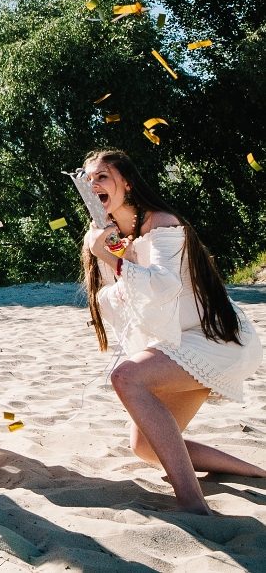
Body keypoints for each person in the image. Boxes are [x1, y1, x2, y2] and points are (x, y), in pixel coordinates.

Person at [81, 149, 264, 514]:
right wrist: (107, 250)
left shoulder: (163, 222)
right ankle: (256, 472)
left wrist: (111, 258)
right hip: (178, 341)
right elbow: (119, 297)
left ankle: (194, 504)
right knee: (144, 448)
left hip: (216, 337)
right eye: (87, 178)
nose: (93, 183)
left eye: (102, 175)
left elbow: (164, 287)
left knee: (127, 377)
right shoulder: (113, 234)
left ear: (127, 183)